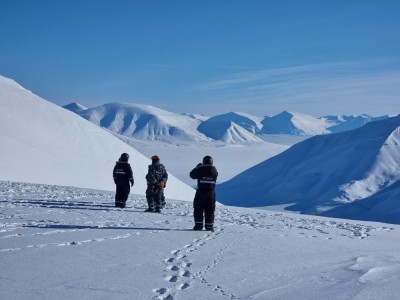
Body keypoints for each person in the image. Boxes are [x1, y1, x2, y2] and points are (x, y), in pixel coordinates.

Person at [189, 155, 218, 231]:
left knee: (198, 209)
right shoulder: (214, 171)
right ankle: (209, 226)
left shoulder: (201, 169)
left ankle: (198, 226)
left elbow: (192, 175)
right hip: (211, 193)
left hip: (201, 192)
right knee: (210, 210)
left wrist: (197, 168)